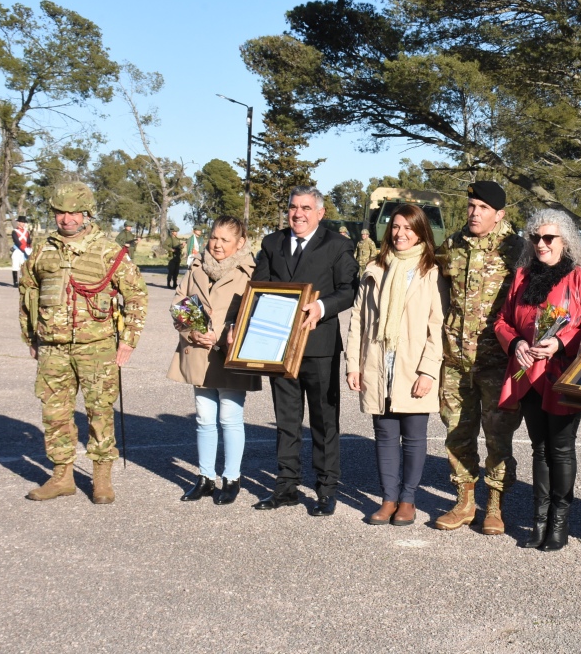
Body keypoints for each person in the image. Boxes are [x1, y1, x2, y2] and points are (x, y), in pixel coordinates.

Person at [18, 182, 148, 504]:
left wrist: (128, 340)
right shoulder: (43, 251)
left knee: (99, 411)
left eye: (74, 211)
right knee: (55, 413)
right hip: (53, 349)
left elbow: (136, 296)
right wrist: (31, 337)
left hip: (97, 349)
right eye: (61, 212)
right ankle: (62, 477)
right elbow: (27, 295)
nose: (67, 218)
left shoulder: (107, 250)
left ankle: (101, 479)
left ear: (87, 213)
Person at [494, 209, 581, 551]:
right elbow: (502, 320)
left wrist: (559, 342)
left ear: (565, 241)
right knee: (539, 449)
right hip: (527, 374)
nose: (541, 244)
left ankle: (559, 522)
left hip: (562, 374)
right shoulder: (523, 276)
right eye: (536, 238)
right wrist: (517, 343)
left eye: (549, 238)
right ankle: (538, 520)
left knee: (561, 448)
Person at [251, 187, 358, 515]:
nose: (298, 214)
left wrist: (322, 307)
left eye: (306, 208)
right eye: (293, 207)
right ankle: (286, 486)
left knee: (325, 419)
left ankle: (326, 489)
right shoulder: (272, 243)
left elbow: (349, 290)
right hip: (280, 345)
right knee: (287, 418)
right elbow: (258, 289)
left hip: (320, 346)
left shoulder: (337, 245)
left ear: (320, 213)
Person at [435, 181, 525, 535]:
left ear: (499, 214)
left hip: (497, 362)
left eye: (483, 208)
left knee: (498, 437)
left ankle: (496, 506)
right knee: (457, 432)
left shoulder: (517, 250)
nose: (474, 213)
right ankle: (464, 502)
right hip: (455, 359)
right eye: (471, 205)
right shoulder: (452, 246)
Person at [346, 204, 444, 526]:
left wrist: (429, 370)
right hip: (378, 364)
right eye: (396, 226)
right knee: (384, 435)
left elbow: (437, 324)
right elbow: (358, 319)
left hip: (412, 366)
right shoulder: (375, 267)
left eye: (408, 228)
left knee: (414, 438)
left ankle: (408, 500)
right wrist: (353, 364)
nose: (400, 233)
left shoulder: (430, 270)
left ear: (420, 232)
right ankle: (388, 498)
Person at [167, 216, 261, 505]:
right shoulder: (196, 267)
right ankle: (205, 477)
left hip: (231, 355)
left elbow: (255, 314)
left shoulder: (250, 272)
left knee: (230, 418)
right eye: (214, 238)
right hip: (197, 351)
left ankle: (231, 478)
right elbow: (179, 301)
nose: (217, 245)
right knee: (204, 418)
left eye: (225, 240)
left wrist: (220, 337)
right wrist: (195, 331)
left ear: (240, 243)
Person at [11, 215, 32, 287]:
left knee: (24, 266)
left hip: (26, 250)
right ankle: (15, 282)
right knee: (15, 265)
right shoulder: (14, 231)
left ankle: (23, 280)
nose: (23, 224)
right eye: (21, 222)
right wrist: (24, 249)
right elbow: (17, 242)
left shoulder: (27, 232)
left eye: (24, 222)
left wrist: (29, 249)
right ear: (18, 223)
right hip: (18, 250)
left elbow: (29, 241)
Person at [163, 225, 186, 289]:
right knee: (171, 271)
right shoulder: (169, 239)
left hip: (177, 257)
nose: (176, 233)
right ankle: (168, 283)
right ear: (172, 232)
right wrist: (171, 249)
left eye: (177, 232)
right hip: (172, 258)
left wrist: (182, 246)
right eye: (175, 232)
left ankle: (175, 283)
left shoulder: (177, 239)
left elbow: (178, 247)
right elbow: (164, 245)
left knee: (176, 272)